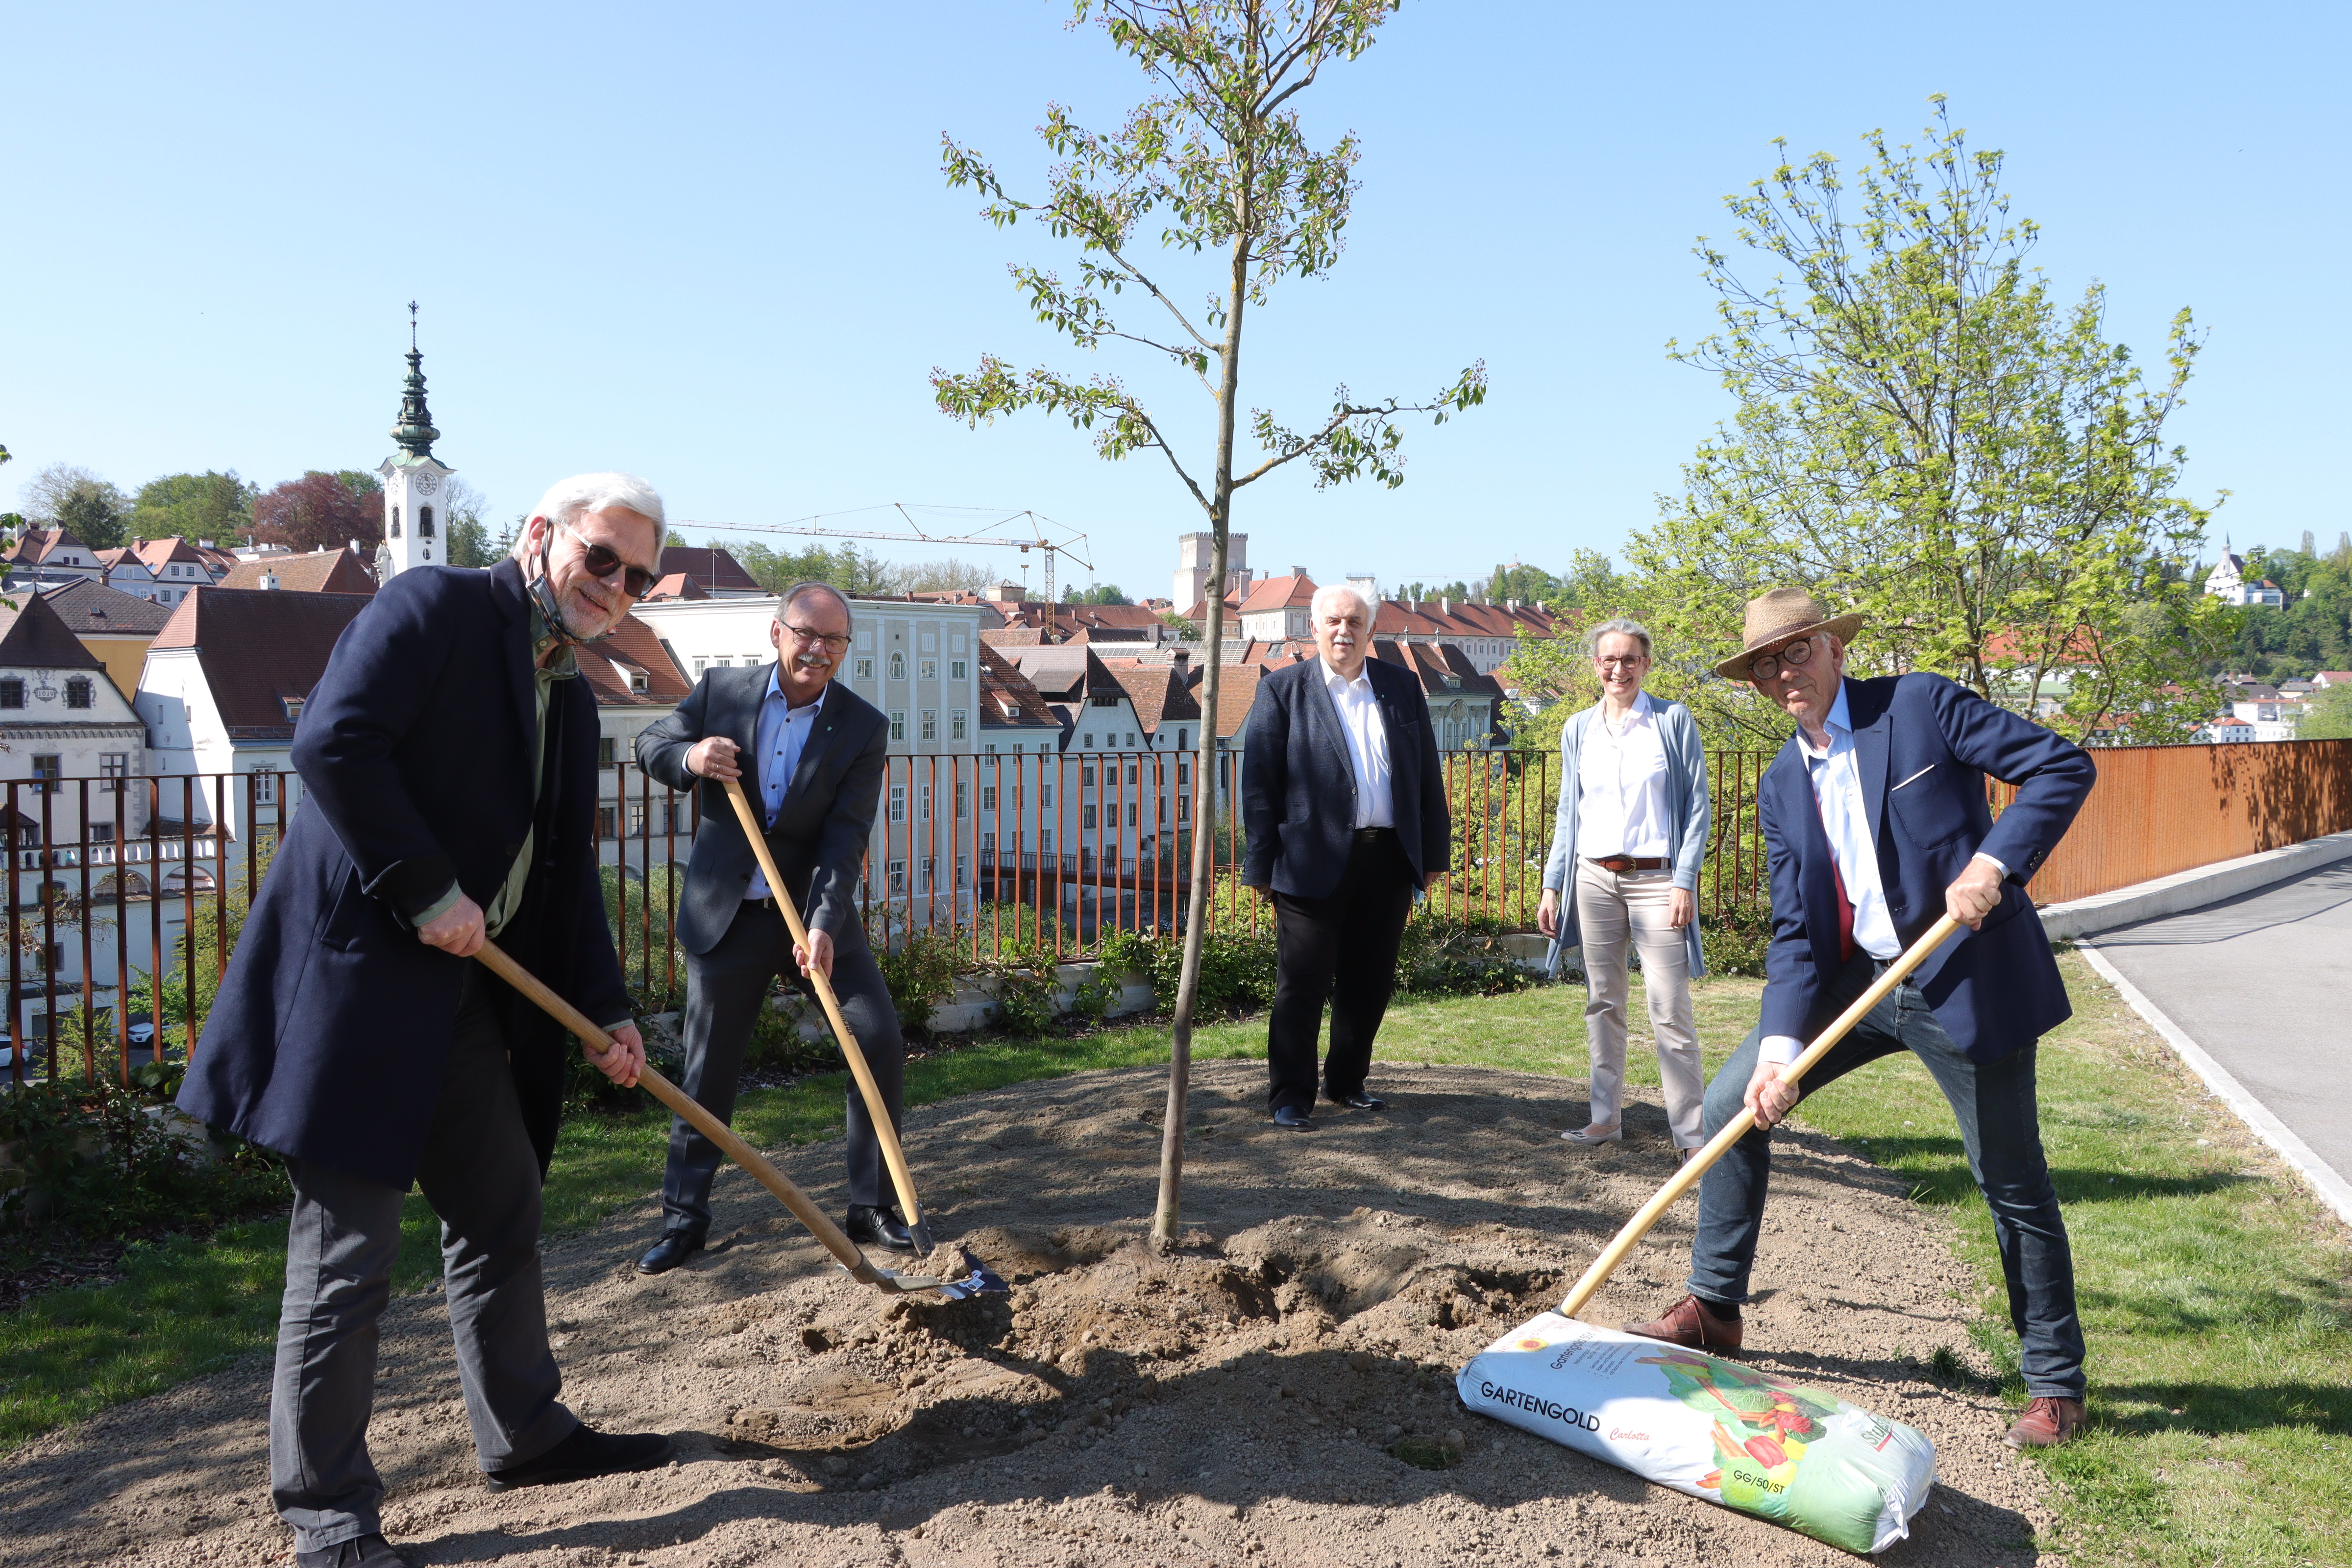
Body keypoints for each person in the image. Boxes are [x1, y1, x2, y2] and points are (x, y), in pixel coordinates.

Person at [177, 475, 675, 1568]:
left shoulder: (572, 690)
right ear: (541, 537)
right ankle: (328, 1517)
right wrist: (423, 884)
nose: (616, 588)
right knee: (348, 1257)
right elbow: (335, 745)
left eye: (637, 576)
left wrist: (605, 1011)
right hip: (359, 992)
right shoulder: (432, 608)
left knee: (502, 1207)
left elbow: (566, 871)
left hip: (462, 1003)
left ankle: (528, 1434)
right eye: (602, 558)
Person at [1623, 588, 2097, 1451]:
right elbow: (1799, 934)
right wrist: (1779, 1054)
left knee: (2010, 1179)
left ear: (1834, 649)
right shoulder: (1779, 784)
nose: (1784, 672)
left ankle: (2056, 1385)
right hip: (1863, 982)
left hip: (1961, 970)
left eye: (1796, 651)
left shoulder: (1916, 706)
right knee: (1736, 1105)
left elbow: (2063, 766)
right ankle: (1715, 1310)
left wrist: (1996, 862)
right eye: (1767, 664)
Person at [631, 580, 902, 1273]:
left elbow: (846, 840)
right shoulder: (723, 691)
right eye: (805, 634)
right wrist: (691, 759)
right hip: (727, 916)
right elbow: (653, 740)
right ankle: (684, 1221)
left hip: (811, 918)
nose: (817, 649)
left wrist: (822, 926)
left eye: (833, 640)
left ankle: (872, 1206)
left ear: (845, 649)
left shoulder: (863, 727)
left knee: (875, 1037)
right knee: (706, 1074)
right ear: (777, 633)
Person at [1240, 584, 1449, 1129]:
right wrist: (1260, 866)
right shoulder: (1283, 690)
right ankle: (1290, 1095)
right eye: (1334, 621)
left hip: (1387, 861)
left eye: (1355, 622)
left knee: (1370, 980)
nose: (1344, 631)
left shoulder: (1402, 687)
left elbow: (1428, 773)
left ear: (1371, 631)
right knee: (1302, 983)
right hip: (1309, 864)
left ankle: (1347, 1081)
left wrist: (1434, 853)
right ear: (1314, 628)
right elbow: (1259, 786)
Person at [1535, 618, 1712, 1158]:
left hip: (1658, 879)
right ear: (1595, 665)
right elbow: (1570, 811)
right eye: (1609, 659)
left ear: (1646, 664)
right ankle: (1604, 1119)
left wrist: (1685, 878)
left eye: (1630, 659)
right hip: (1592, 878)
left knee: (1669, 1006)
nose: (1619, 668)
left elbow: (1699, 805)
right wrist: (1552, 882)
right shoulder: (1577, 728)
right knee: (1603, 1001)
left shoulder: (1672, 721)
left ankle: (1691, 1135)